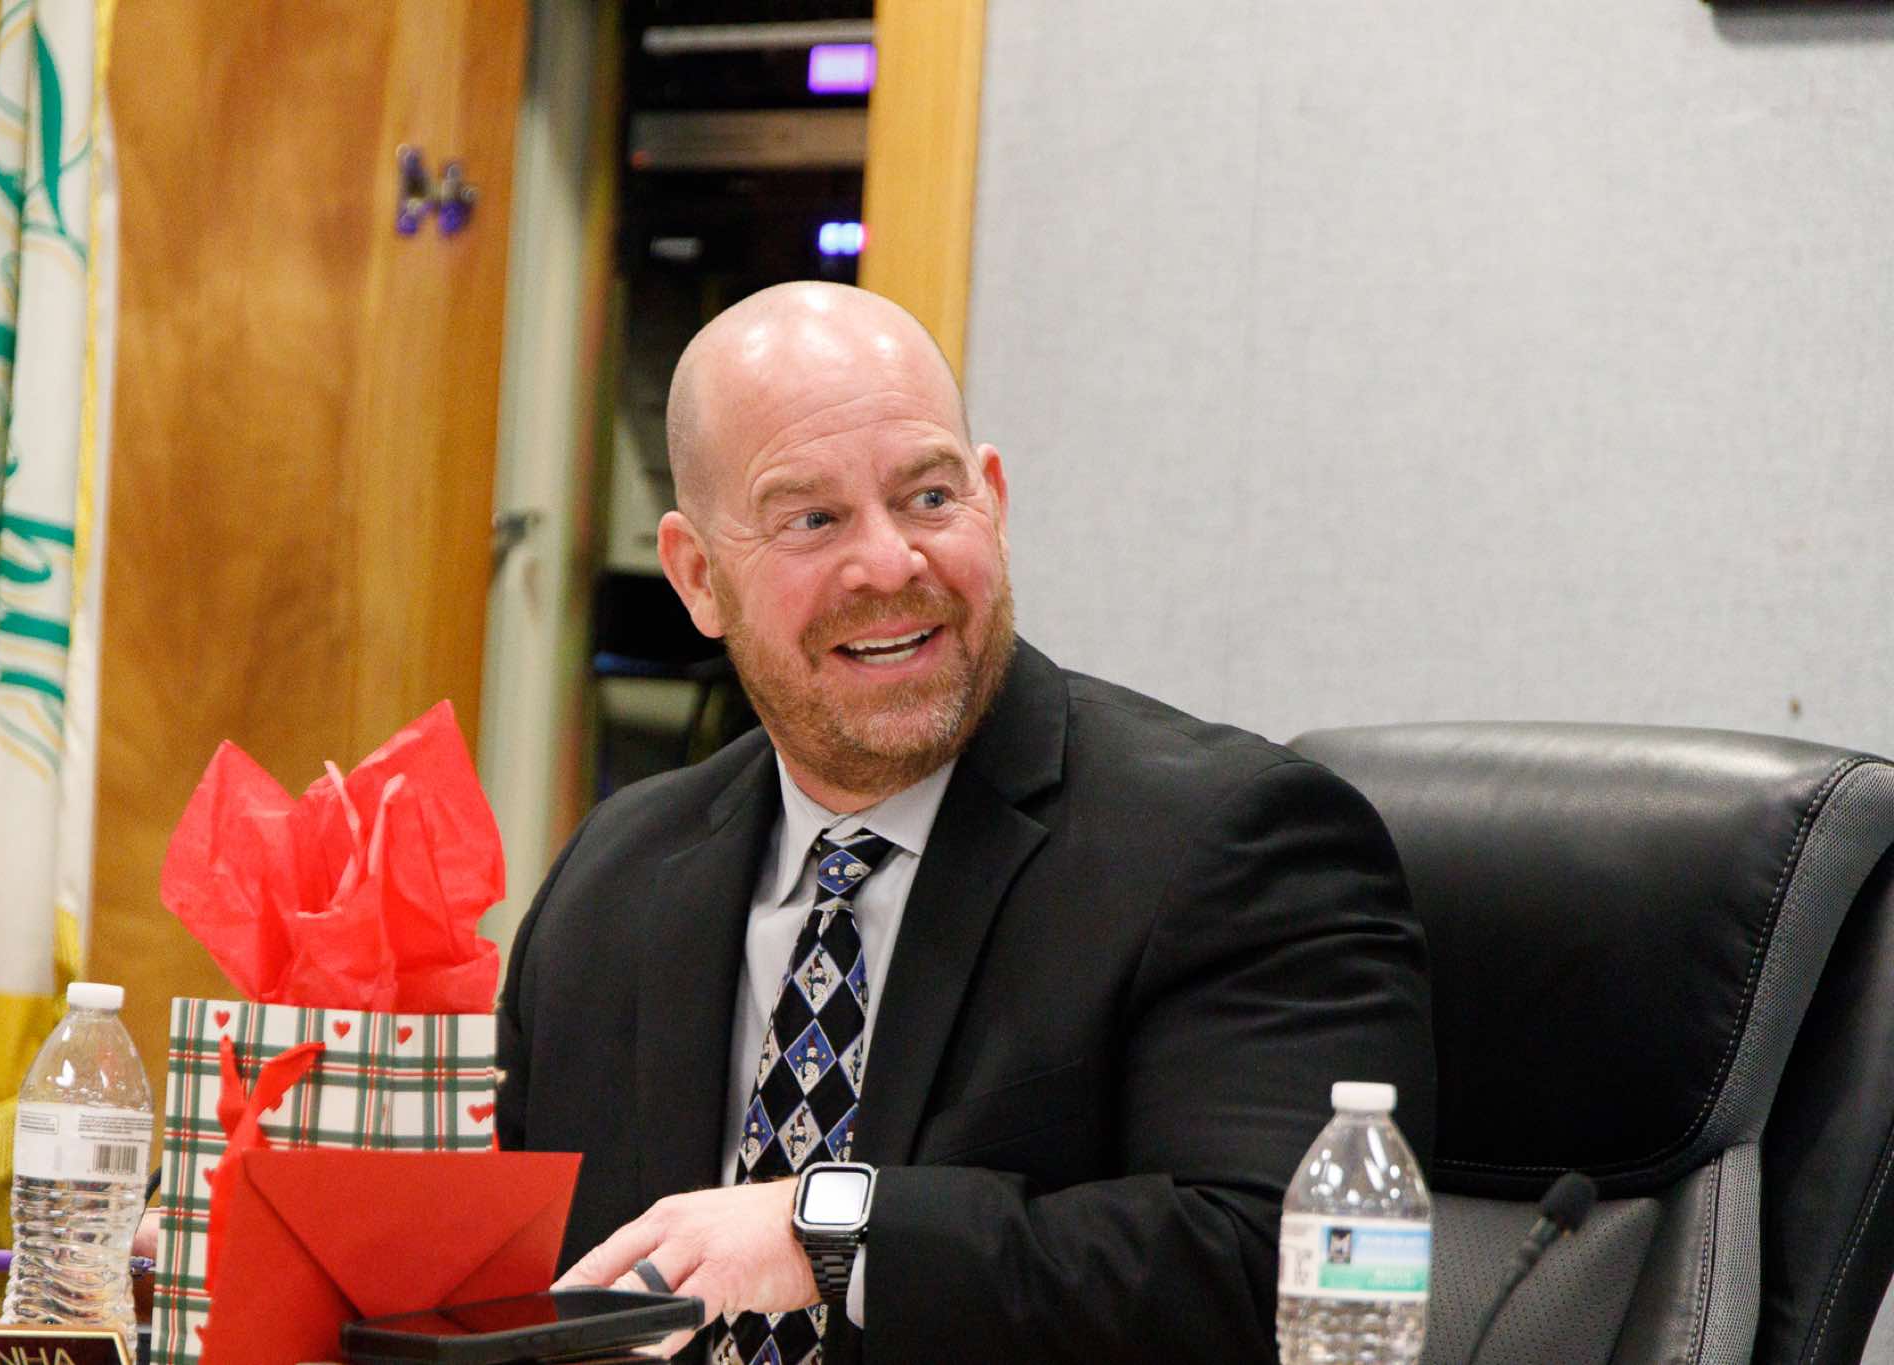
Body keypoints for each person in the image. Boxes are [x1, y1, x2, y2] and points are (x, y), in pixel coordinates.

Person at [496, 282, 1435, 1363]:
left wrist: (829, 1229)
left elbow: (1280, 1274)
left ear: (992, 499)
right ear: (698, 577)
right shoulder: (612, 878)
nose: (890, 563)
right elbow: (515, 1289)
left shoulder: (1235, 843)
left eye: (929, 497)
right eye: (812, 519)